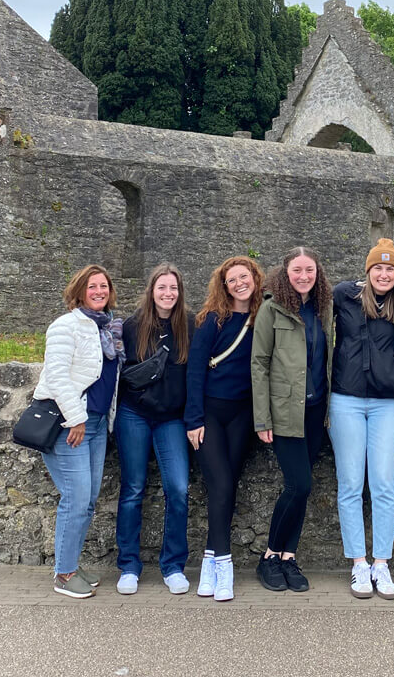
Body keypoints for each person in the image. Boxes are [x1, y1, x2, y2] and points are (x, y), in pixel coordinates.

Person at [31, 264, 123, 599]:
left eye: (104, 286)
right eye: (92, 286)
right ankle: (64, 574)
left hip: (97, 424)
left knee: (88, 499)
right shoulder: (65, 326)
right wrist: (77, 418)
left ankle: (70, 563)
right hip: (70, 425)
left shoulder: (110, 328)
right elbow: (56, 377)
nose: (99, 291)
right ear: (80, 291)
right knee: (76, 497)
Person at [251, 247, 333, 593]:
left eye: (309, 270)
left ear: (318, 274)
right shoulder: (272, 309)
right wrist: (262, 418)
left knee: (302, 488)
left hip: (315, 411)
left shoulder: (324, 309)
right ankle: (269, 556)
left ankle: (288, 557)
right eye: (297, 270)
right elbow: (259, 364)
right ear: (286, 273)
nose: (303, 276)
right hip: (285, 411)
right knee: (299, 485)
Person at [329, 238, 394, 599]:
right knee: (349, 483)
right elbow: (306, 296)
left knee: (383, 483)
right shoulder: (345, 295)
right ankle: (358, 563)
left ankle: (381, 563)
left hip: (387, 404)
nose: (384, 274)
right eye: (378, 267)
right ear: (368, 270)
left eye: (390, 269)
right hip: (345, 399)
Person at [186, 256, 265, 602]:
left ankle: (208, 560)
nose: (238, 284)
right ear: (223, 285)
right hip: (211, 415)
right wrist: (193, 419)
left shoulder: (263, 317)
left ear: (254, 279)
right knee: (219, 483)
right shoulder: (210, 321)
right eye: (231, 280)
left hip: (243, 414)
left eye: (243, 277)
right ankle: (225, 564)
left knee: (227, 486)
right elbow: (194, 371)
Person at [114, 264, 194, 596]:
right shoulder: (133, 326)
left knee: (178, 489)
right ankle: (129, 566)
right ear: (152, 290)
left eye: (173, 288)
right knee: (133, 489)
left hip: (172, 418)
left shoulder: (190, 325)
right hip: (134, 414)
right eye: (162, 287)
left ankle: (173, 565)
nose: (167, 294)